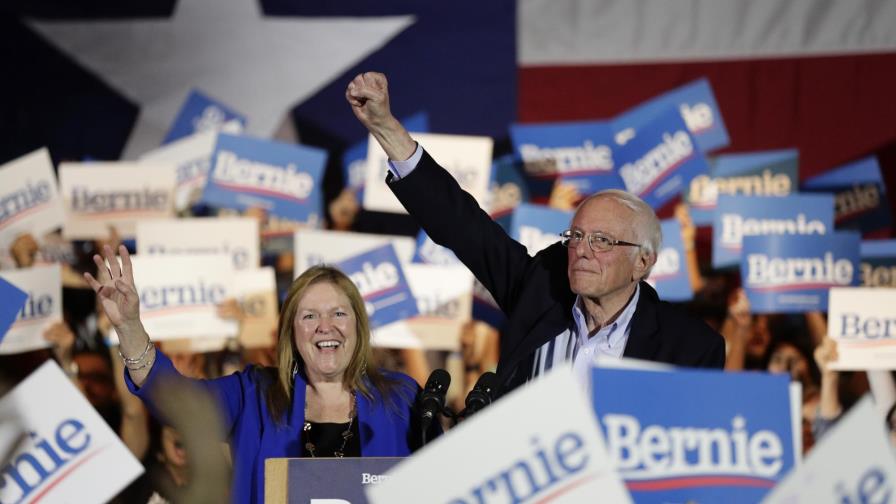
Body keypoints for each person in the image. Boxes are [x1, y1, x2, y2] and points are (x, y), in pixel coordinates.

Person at [346, 72, 725, 393]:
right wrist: (386, 127)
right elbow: (462, 225)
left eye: (602, 241)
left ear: (642, 261)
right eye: (576, 236)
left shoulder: (690, 348)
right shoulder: (540, 293)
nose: (582, 250)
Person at [85, 244, 430, 504]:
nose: (326, 327)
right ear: (291, 332)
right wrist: (129, 326)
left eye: (339, 313)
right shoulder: (255, 395)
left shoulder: (400, 398)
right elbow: (174, 399)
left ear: (358, 324)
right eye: (309, 316)